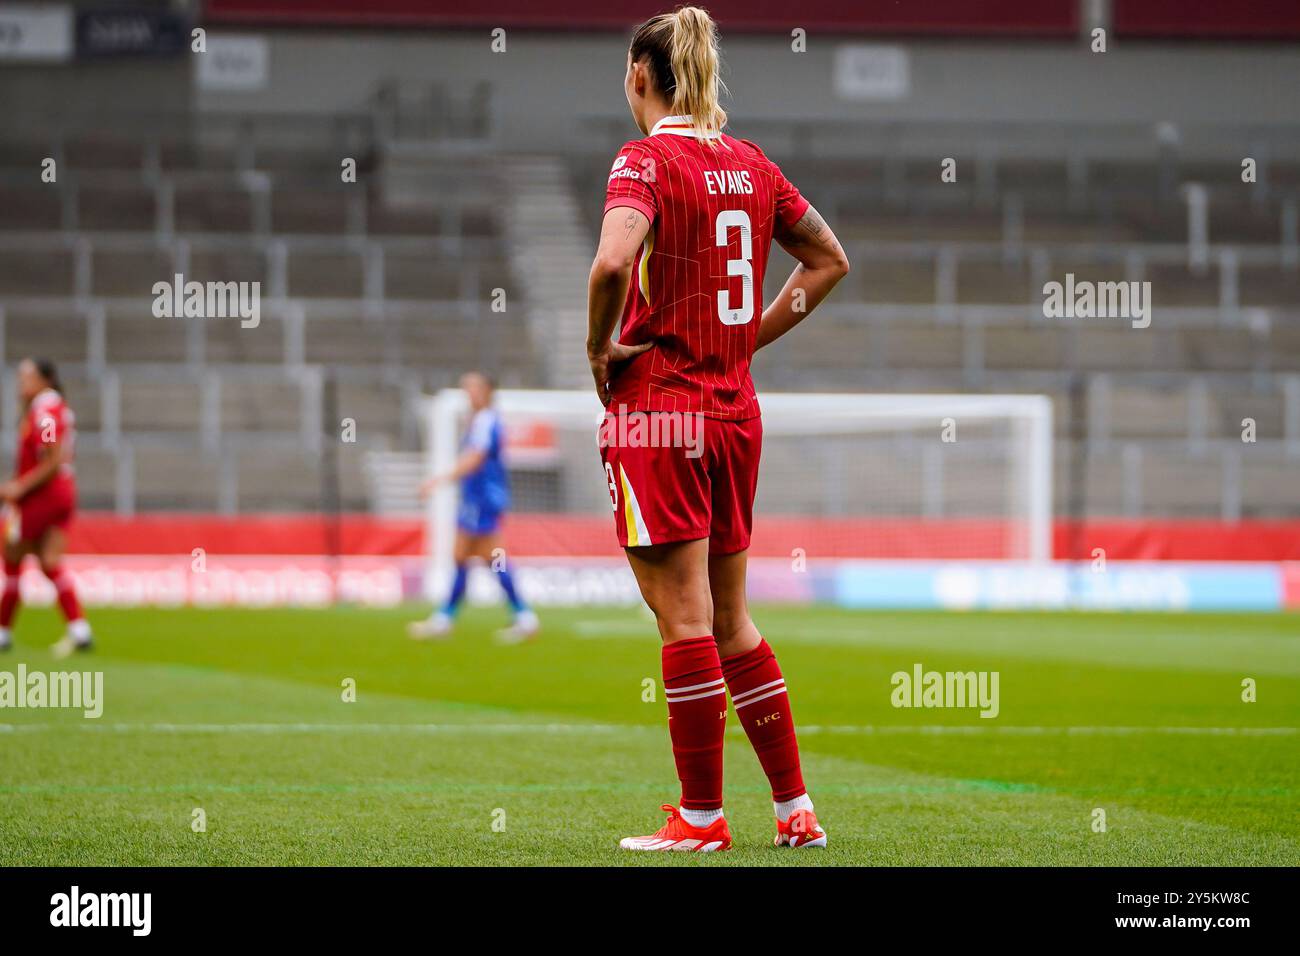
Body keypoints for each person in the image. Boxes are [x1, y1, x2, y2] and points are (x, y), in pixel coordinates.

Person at [587, 7, 850, 851]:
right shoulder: (751, 164)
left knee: (685, 621)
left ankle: (699, 818)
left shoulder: (644, 160)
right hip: (736, 413)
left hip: (660, 410)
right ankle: (794, 810)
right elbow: (828, 260)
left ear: (639, 76)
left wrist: (599, 346)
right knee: (733, 620)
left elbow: (611, 262)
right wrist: (749, 336)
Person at [408, 372, 539, 643]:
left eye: (474, 388)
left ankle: (522, 617)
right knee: (464, 557)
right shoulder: (480, 420)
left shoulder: (486, 420)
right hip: (477, 499)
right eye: (466, 388)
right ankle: (447, 618)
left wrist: (438, 481)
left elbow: (476, 459)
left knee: (489, 557)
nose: (469, 393)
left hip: (482, 500)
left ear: (488, 391)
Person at [0, 358, 94, 658]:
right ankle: (80, 630)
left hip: (45, 495)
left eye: (27, 377)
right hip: (64, 493)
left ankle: (2, 630)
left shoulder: (45, 412)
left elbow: (52, 458)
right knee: (49, 561)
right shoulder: (54, 408)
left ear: (45, 380)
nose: (21, 383)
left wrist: (19, 487)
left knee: (10, 549)